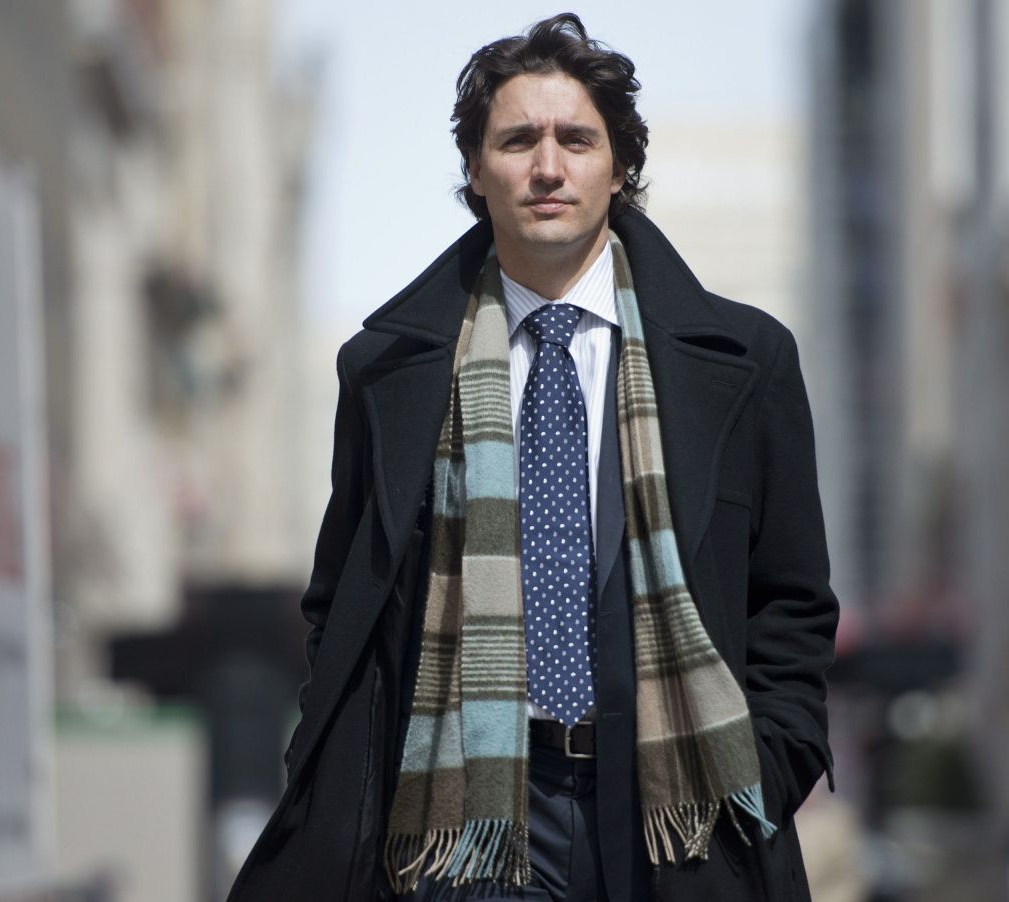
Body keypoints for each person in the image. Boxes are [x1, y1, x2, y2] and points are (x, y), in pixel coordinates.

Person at [227, 13, 838, 902]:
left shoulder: (745, 364)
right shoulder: (386, 373)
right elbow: (340, 606)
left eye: (576, 139)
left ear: (619, 167)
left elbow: (793, 605)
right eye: (517, 140)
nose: (548, 166)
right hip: (466, 826)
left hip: (680, 826)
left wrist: (768, 766)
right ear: (476, 170)